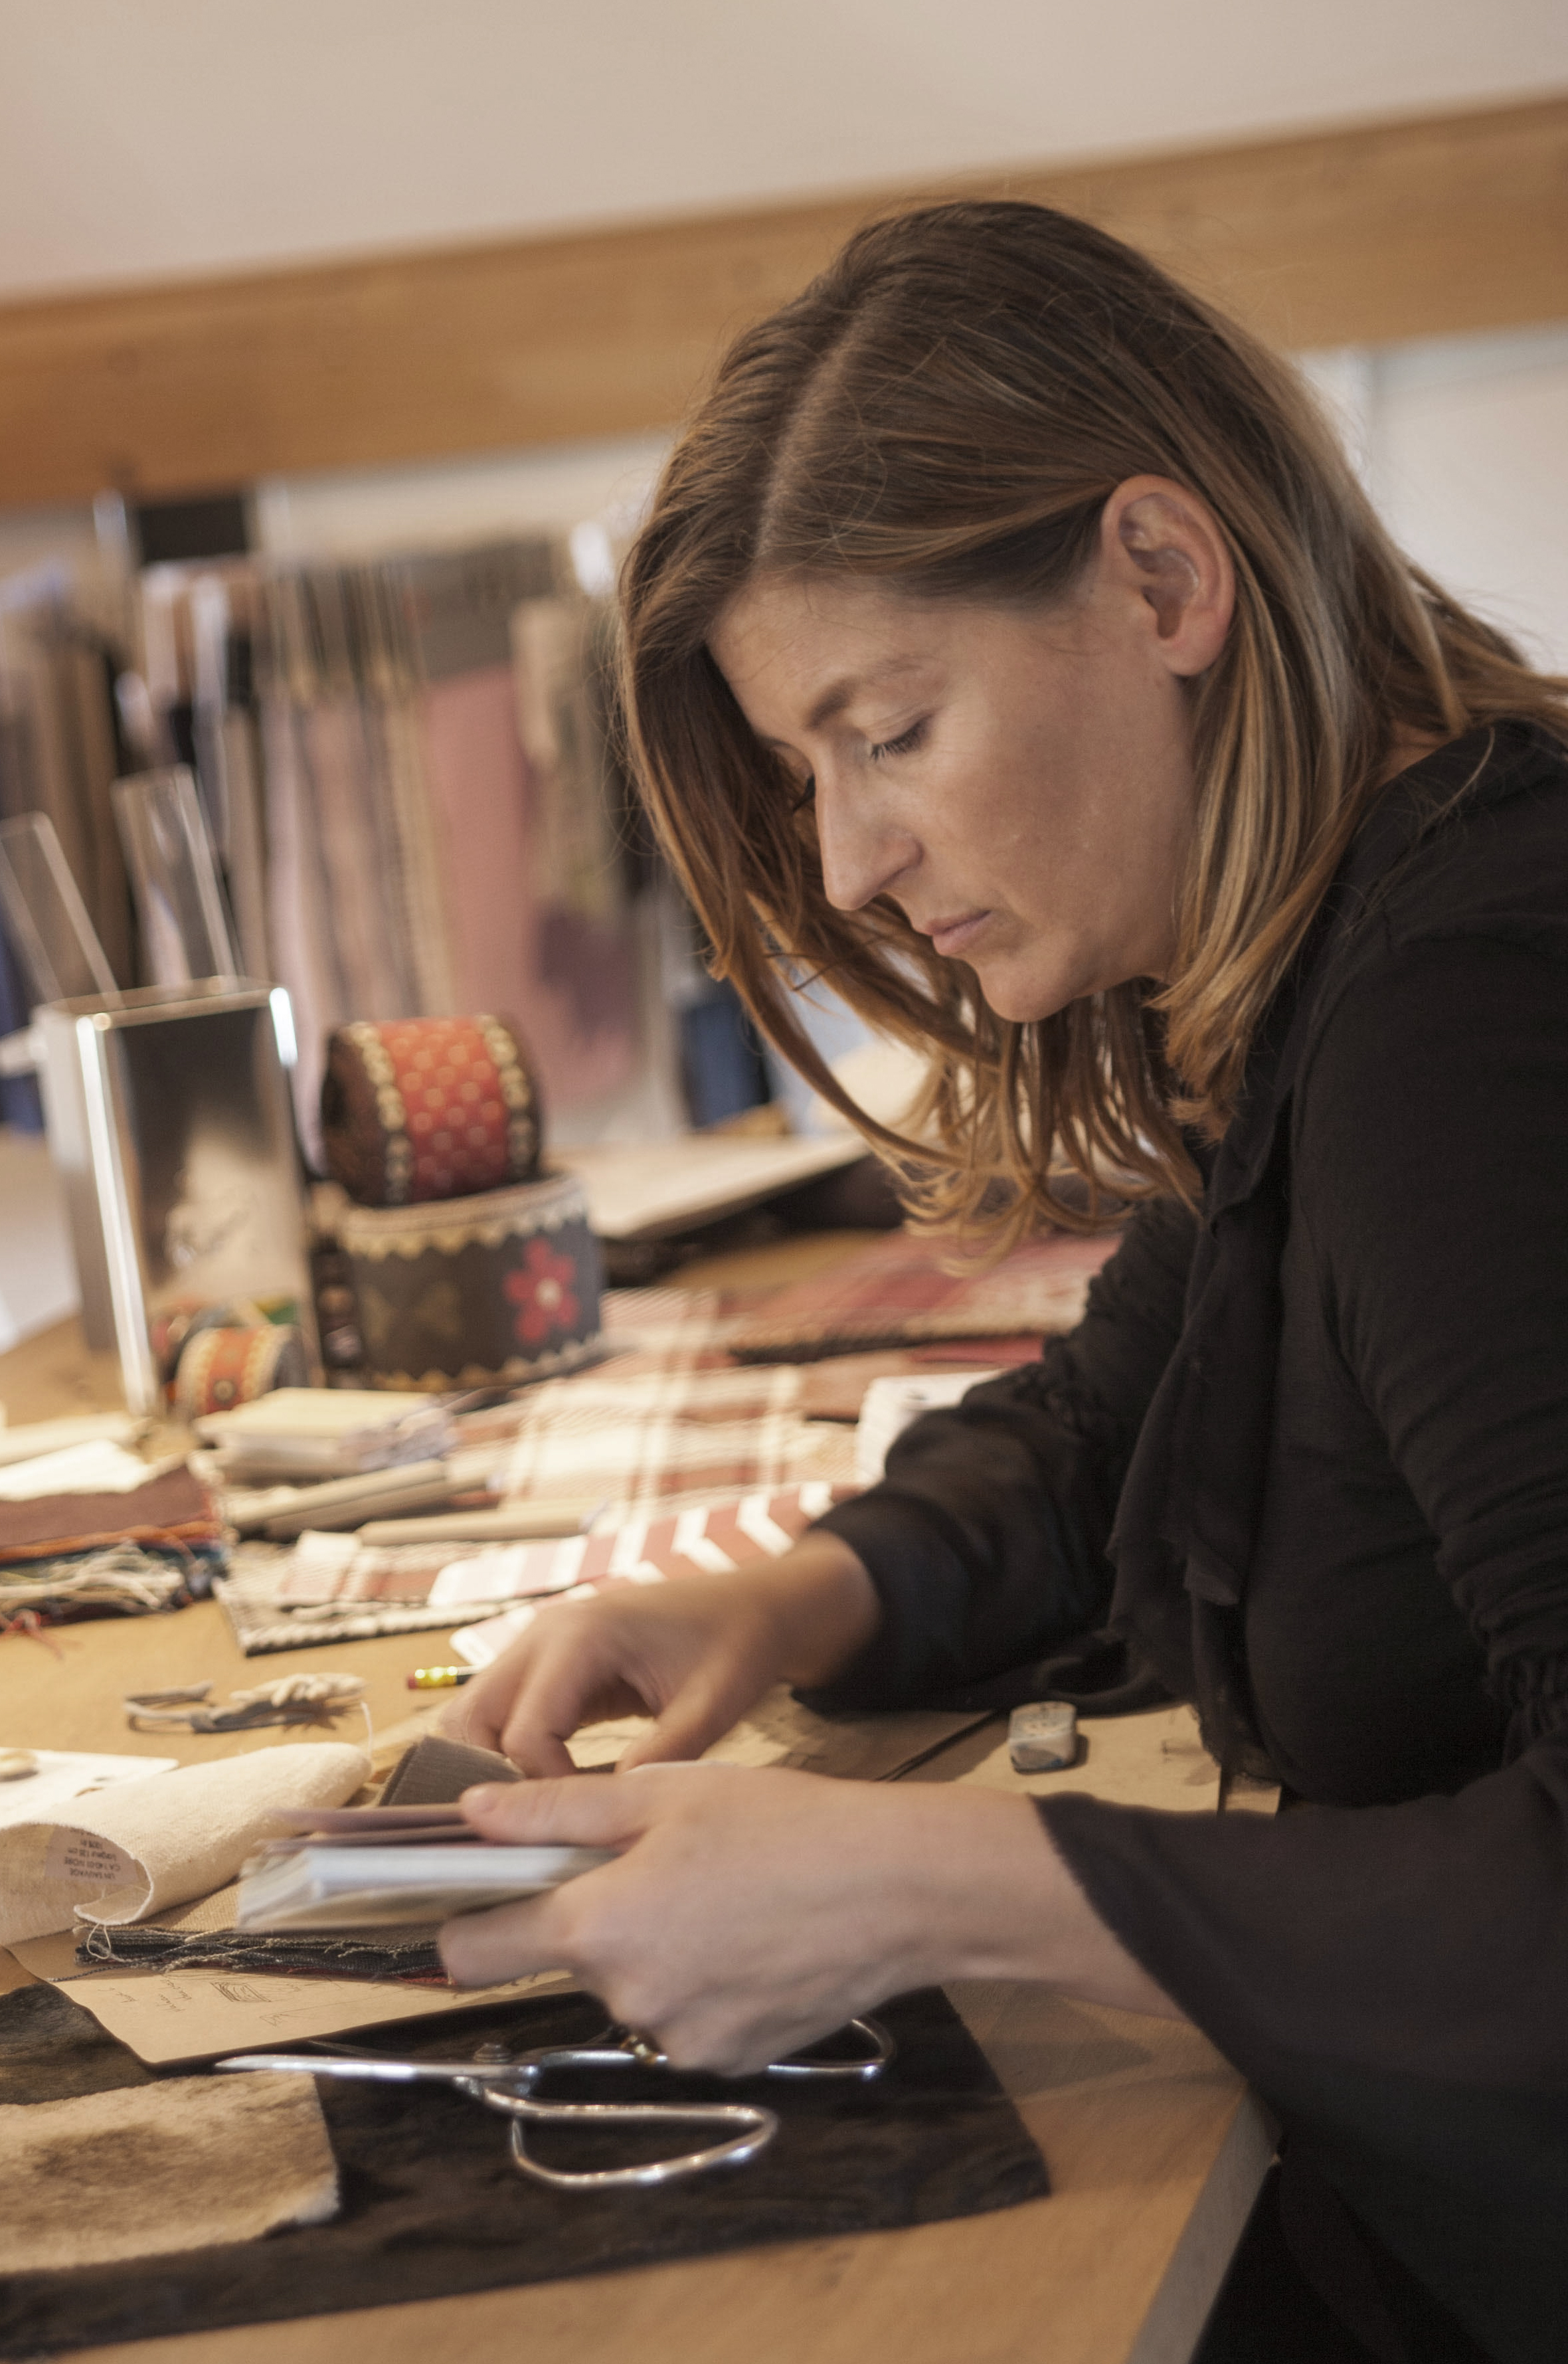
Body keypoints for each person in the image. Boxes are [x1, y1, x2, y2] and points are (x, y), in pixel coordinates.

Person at [438, 203, 1568, 2363]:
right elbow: (1119, 1427)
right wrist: (789, 1603)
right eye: (804, 774)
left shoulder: (1474, 1023)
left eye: (887, 730)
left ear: (1160, 580)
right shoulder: (1343, 962)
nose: (845, 863)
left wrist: (932, 1884)